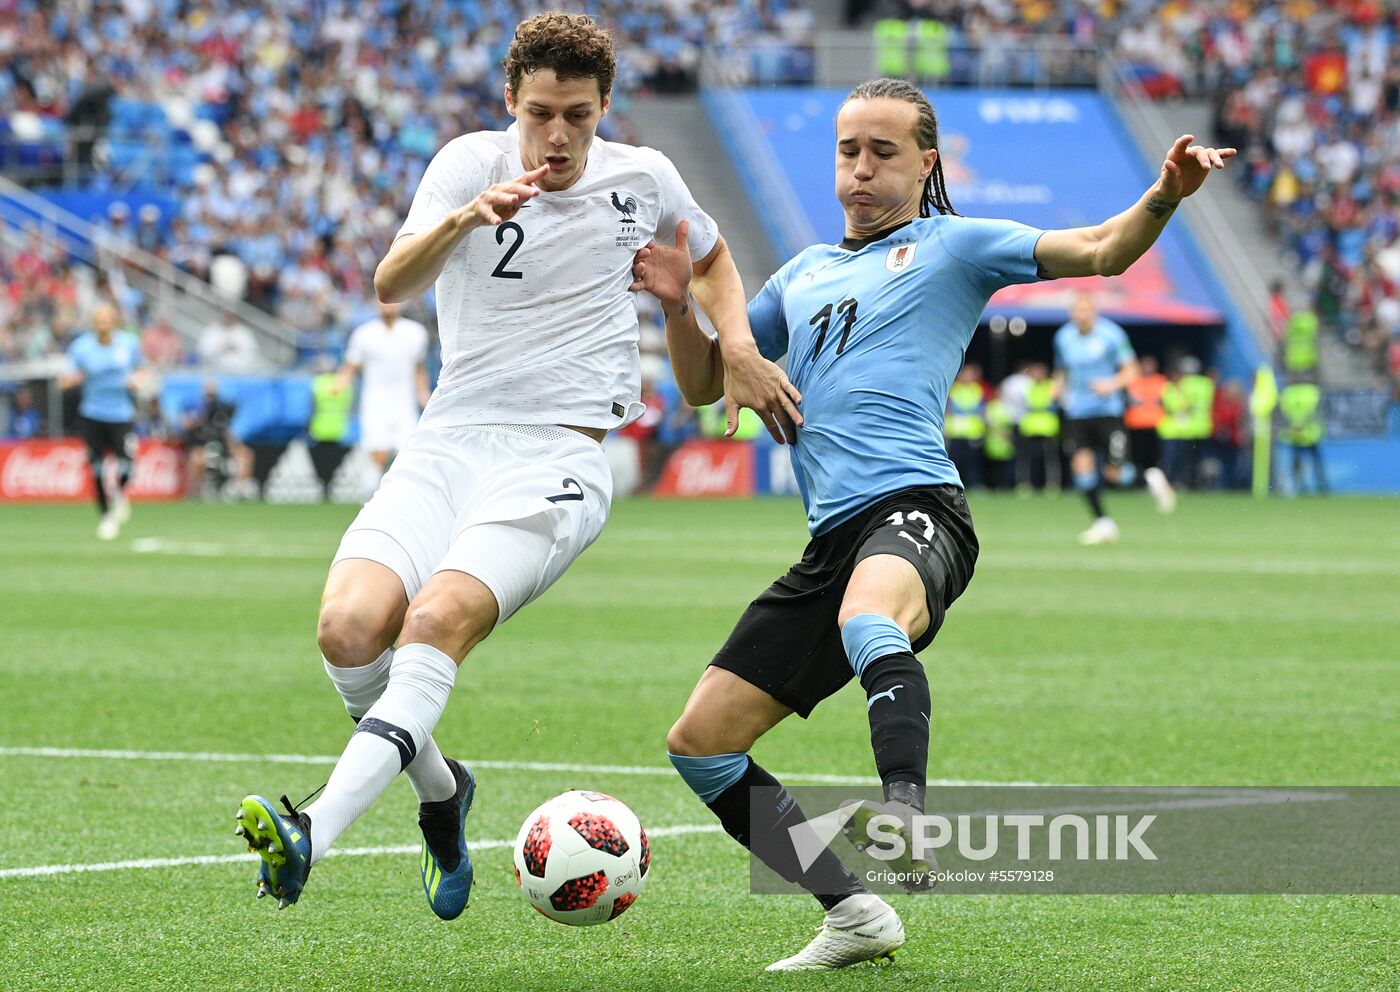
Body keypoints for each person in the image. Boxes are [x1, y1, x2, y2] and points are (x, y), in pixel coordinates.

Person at [632, 77, 1233, 970]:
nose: (862, 169)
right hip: (829, 538)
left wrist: (1164, 196)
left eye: (883, 152)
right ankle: (854, 913)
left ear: (926, 162)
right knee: (702, 746)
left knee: (870, 617)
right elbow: (703, 383)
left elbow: (1105, 249)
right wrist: (681, 307)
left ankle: (904, 812)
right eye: (848, 150)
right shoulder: (803, 273)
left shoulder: (955, 247)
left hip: (919, 509)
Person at [235, 12, 798, 921]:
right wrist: (467, 217)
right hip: (446, 442)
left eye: (579, 113)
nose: (560, 134)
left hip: (559, 456)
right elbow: (391, 283)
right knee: (347, 630)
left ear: (605, 105)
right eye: (541, 113)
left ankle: (314, 831)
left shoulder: (644, 179)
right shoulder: (467, 164)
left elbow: (714, 258)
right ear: (511, 103)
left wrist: (728, 339)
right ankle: (441, 794)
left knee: (437, 618)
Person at [1054, 293, 1174, 545]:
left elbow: (1132, 370)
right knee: (1081, 468)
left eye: (1085, 310)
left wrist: (1111, 384)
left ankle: (1149, 478)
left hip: (1108, 411)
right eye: (1077, 310)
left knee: (1114, 473)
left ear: (1094, 311)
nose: (1081, 315)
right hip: (1078, 413)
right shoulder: (1063, 338)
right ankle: (1102, 523)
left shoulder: (1112, 335)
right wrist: (1057, 389)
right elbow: (1062, 370)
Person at [61, 302, 145, 540]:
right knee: (96, 467)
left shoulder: (129, 345)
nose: (103, 326)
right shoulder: (82, 348)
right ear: (93, 323)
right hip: (93, 414)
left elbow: (144, 371)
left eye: (107, 320)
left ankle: (119, 491)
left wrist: (138, 379)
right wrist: (72, 380)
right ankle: (106, 516)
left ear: (114, 321)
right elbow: (65, 379)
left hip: (122, 414)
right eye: (99, 321)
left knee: (128, 464)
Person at [337, 300, 431, 497]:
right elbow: (351, 365)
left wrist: (423, 394)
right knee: (378, 453)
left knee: (405, 455)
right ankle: (368, 499)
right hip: (375, 401)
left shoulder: (415, 332)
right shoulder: (364, 334)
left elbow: (419, 368)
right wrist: (341, 382)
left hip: (404, 402)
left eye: (393, 302)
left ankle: (398, 500)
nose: (388, 306)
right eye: (383, 302)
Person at [183, 378, 256, 500]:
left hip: (223, 448)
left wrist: (233, 445)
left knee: (246, 455)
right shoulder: (196, 409)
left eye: (213, 394)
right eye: (208, 394)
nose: (211, 398)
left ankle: (239, 490)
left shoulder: (222, 411)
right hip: (205, 447)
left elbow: (227, 432)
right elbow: (187, 428)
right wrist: (197, 419)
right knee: (196, 457)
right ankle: (195, 493)